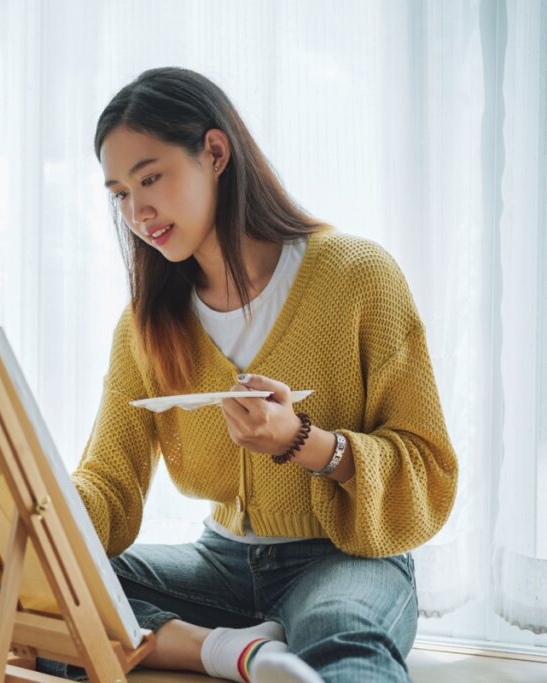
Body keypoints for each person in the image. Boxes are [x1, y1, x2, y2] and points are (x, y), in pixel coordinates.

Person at [54, 68, 458, 682]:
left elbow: (427, 468)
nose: (137, 211)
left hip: (345, 559)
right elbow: (110, 482)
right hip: (219, 563)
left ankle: (239, 644)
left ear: (215, 152)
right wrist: (35, 513)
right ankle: (235, 652)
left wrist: (304, 443)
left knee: (341, 640)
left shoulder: (357, 278)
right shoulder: (145, 327)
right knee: (53, 598)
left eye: (151, 177)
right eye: (119, 193)